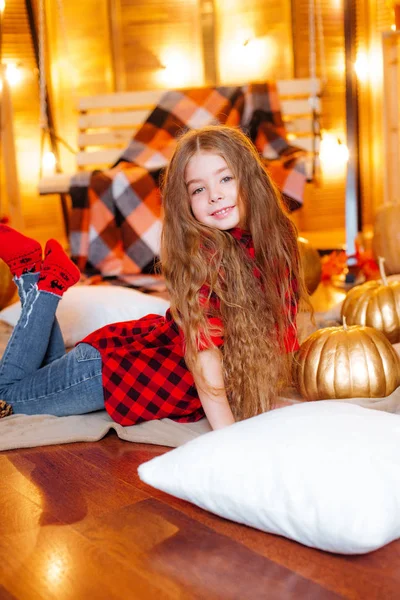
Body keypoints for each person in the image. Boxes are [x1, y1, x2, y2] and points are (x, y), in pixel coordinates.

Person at [0, 125, 309, 430]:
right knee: (7, 394)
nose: (215, 196)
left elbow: (278, 331)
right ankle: (37, 283)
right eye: (198, 189)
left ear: (250, 180)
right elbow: (205, 354)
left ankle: (39, 276)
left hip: (133, 355)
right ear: (186, 202)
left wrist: (264, 397)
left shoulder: (276, 242)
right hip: (109, 375)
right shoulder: (204, 255)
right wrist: (226, 435)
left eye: (226, 178)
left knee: (35, 376)